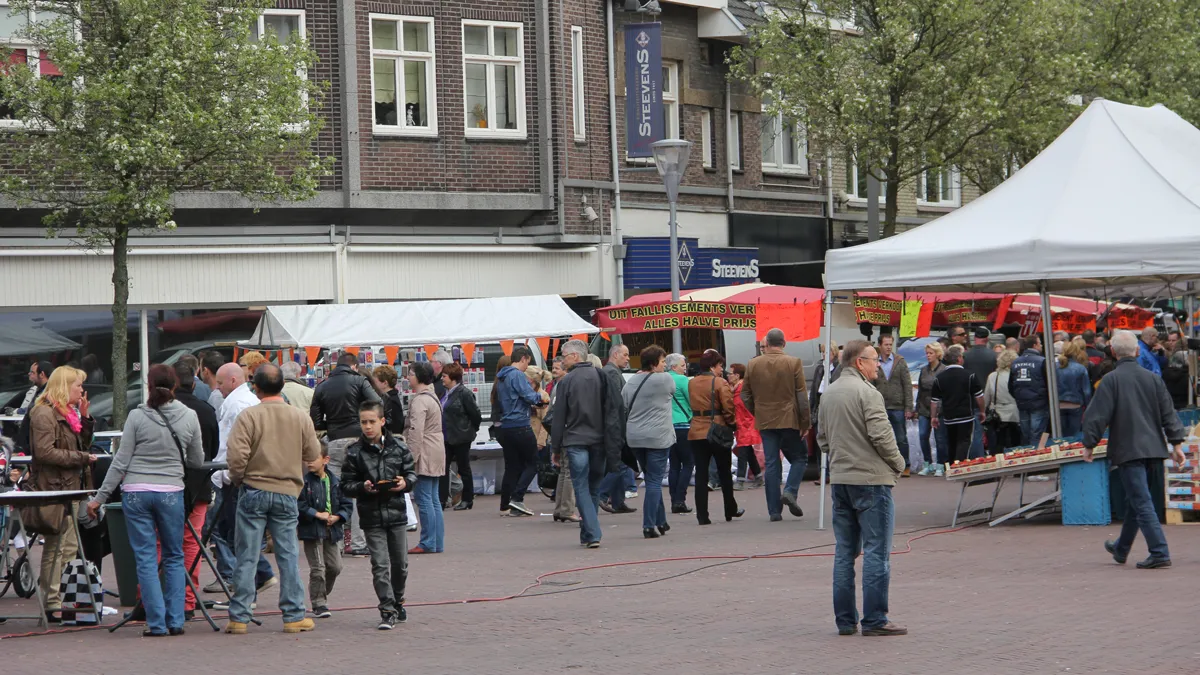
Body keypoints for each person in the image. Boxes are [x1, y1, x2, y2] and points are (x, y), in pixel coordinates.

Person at [87, 364, 203, 637]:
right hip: (171, 492)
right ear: (175, 386)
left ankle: (156, 623)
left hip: (136, 492)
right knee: (174, 557)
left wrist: (99, 498)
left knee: (146, 558)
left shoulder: (137, 417)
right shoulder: (190, 416)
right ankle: (176, 621)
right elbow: (197, 460)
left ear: (148, 386)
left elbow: (120, 462)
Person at [223, 364, 322, 635]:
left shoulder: (248, 416)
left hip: (254, 488)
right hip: (287, 491)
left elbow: (236, 456)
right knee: (288, 554)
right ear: (282, 386)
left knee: (247, 554)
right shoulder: (299, 417)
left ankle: (239, 616)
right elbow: (313, 452)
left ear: (256, 387)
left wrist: (239, 477)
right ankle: (293, 615)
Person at [817, 339, 906, 637]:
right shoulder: (868, 393)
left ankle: (845, 620)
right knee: (876, 552)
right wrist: (898, 463)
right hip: (871, 480)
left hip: (841, 479)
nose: (878, 363)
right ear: (859, 362)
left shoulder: (829, 393)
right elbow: (882, 436)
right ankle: (875, 619)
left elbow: (822, 438)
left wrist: (841, 456)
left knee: (844, 552)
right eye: (874, 359)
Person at [1084, 330, 1187, 569]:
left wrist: (1089, 444)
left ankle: (1159, 552)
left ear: (1112, 352)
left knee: (1141, 502)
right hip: (1154, 447)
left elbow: (1097, 415)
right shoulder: (1153, 378)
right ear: (1138, 350)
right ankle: (1121, 549)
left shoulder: (1111, 380)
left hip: (1128, 448)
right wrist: (1177, 443)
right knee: (1137, 499)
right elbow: (1168, 414)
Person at [28, 366, 96, 623]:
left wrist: (87, 421)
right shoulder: (44, 413)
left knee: (68, 548)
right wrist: (81, 458)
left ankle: (63, 597)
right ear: (64, 386)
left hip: (72, 487)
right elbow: (44, 452)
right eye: (78, 385)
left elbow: (82, 445)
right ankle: (51, 601)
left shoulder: (69, 413)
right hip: (56, 489)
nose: (81, 390)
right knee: (55, 547)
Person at [340, 401, 417, 629]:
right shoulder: (354, 452)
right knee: (380, 564)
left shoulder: (399, 448)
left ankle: (398, 599)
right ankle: (387, 609)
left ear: (382, 422)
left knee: (401, 564)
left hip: (396, 514)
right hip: (371, 515)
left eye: (372, 421)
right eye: (363, 422)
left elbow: (412, 474)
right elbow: (345, 484)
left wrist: (405, 482)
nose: (367, 427)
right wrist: (362, 487)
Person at [206, 363, 275, 597]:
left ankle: (249, 589)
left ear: (233, 381)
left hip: (236, 478)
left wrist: (228, 475)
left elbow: (233, 446)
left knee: (236, 535)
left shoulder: (237, 405)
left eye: (221, 383)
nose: (218, 388)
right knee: (238, 534)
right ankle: (259, 576)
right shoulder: (245, 402)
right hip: (243, 476)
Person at [549, 340, 623, 548]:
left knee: (581, 485)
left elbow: (558, 417)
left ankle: (592, 532)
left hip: (575, 440)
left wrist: (555, 447)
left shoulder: (566, 381)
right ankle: (587, 532)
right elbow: (614, 409)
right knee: (593, 487)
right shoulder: (601, 376)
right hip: (599, 440)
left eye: (564, 356)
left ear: (575, 356)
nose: (562, 360)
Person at [310, 352, 381, 555]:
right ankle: (359, 543)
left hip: (333, 440)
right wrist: (363, 422)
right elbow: (377, 403)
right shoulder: (359, 381)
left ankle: (336, 543)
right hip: (358, 440)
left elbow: (314, 418)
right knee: (360, 491)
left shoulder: (322, 386)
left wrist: (331, 426)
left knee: (334, 491)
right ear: (355, 366)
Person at [741, 329, 810, 521]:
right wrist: (806, 422)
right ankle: (790, 491)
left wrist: (757, 410)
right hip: (789, 418)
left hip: (765, 419)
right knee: (800, 457)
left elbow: (744, 394)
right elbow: (802, 396)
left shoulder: (753, 364)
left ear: (768, 343)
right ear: (784, 343)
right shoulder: (793, 362)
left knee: (772, 464)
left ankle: (774, 511)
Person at [171, 361, 219, 619]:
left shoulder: (154, 411)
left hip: (166, 485)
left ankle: (154, 598)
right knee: (192, 543)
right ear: (194, 381)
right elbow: (211, 450)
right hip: (198, 485)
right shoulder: (206, 410)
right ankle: (188, 600)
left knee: (160, 543)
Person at [623, 346, 676, 539]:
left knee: (650, 475)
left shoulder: (631, 381)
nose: (665, 365)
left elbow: (624, 403)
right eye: (663, 362)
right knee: (654, 481)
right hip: (658, 437)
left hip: (635, 437)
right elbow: (672, 392)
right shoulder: (665, 379)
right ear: (654, 364)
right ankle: (648, 524)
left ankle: (661, 521)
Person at [298, 443, 353, 619]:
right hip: (312, 530)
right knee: (318, 568)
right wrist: (316, 514)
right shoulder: (304, 482)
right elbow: (299, 505)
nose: (309, 462)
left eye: (313, 458)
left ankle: (322, 593)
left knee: (335, 566)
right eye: (306, 458)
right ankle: (319, 602)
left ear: (325, 460)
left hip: (332, 529)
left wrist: (339, 516)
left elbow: (346, 504)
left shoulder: (335, 481)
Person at [688, 350, 743, 525]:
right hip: (717, 430)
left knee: (701, 474)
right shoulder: (720, 382)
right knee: (724, 472)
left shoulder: (693, 383)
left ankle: (702, 515)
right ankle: (729, 510)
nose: (722, 369)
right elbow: (728, 407)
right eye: (720, 366)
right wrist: (733, 424)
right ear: (713, 366)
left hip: (696, 430)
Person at [494, 346, 545, 517]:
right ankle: (517, 498)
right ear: (523, 358)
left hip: (506, 426)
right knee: (533, 462)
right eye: (527, 363)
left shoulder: (502, 376)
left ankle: (505, 505)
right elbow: (529, 396)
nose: (526, 368)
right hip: (520, 425)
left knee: (512, 467)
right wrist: (540, 398)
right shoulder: (517, 375)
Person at [405, 362, 445, 555]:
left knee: (424, 497)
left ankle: (428, 541)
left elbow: (416, 431)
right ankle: (436, 541)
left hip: (425, 449)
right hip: (436, 447)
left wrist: (410, 457)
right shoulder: (433, 396)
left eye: (411, 374)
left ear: (419, 376)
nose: (408, 377)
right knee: (434, 498)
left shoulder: (420, 400)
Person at [598, 344, 637, 515]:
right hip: (616, 425)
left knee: (622, 462)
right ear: (615, 355)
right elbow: (616, 403)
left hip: (614, 424)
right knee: (620, 462)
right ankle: (602, 494)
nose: (628, 358)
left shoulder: (611, 372)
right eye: (625, 355)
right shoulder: (612, 373)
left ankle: (618, 500)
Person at [931, 345, 985, 465]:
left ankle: (951, 465)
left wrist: (933, 417)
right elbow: (979, 396)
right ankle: (959, 465)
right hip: (966, 415)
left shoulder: (939, 378)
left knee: (951, 441)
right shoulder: (970, 375)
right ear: (959, 358)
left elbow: (934, 401)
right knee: (964, 441)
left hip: (949, 416)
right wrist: (982, 411)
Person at [439, 362, 481, 511]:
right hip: (447, 436)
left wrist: (470, 431)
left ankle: (467, 499)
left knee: (464, 468)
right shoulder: (447, 393)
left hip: (461, 436)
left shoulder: (464, 393)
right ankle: (442, 499)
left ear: (452, 377)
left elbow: (476, 415)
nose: (442, 379)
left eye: (444, 376)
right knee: (443, 468)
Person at [872, 334, 913, 476]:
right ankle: (885, 466)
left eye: (890, 344)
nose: (889, 347)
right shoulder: (874, 361)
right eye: (886, 345)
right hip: (880, 406)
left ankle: (905, 465)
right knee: (881, 438)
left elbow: (907, 385)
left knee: (901, 438)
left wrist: (908, 407)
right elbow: (870, 384)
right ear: (880, 346)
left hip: (898, 406)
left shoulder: (899, 362)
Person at [665, 353, 694, 514]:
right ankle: (679, 499)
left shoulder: (662, 379)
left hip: (667, 426)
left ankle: (673, 499)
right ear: (674, 366)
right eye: (683, 365)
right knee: (688, 463)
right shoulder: (682, 380)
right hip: (683, 424)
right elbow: (692, 400)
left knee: (674, 465)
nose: (685, 368)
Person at [727, 364, 763, 490]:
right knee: (747, 451)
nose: (728, 375)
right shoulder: (736, 389)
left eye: (730, 373)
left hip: (746, 424)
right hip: (743, 424)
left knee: (743, 451)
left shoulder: (742, 389)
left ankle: (740, 480)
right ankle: (758, 476)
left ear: (737, 375)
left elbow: (745, 407)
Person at [915, 342, 949, 476]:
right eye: (927, 353)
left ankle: (941, 465)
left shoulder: (944, 370)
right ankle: (927, 463)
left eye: (931, 353)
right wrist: (916, 408)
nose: (928, 355)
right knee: (923, 435)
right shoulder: (923, 370)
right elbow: (920, 390)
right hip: (924, 406)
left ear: (937, 354)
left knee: (940, 438)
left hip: (940, 408)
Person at [1009, 335, 1050, 446]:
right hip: (1039, 403)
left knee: (1026, 434)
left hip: (1022, 404)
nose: (1041, 345)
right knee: (1036, 434)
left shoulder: (1015, 362)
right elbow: (1049, 383)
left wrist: (1019, 397)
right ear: (1034, 345)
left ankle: (1027, 455)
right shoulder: (1042, 361)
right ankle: (1037, 458)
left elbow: (1011, 386)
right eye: (1040, 343)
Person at [963, 327, 997, 457]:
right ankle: (989, 458)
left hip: (969, 399)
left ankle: (975, 458)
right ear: (987, 339)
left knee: (974, 433)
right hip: (989, 398)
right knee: (990, 431)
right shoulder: (993, 356)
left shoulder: (965, 356)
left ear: (974, 338)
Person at [982, 350, 1022, 453]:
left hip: (997, 414)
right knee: (1014, 443)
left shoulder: (993, 376)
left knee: (998, 443)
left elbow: (987, 397)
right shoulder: (1016, 375)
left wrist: (984, 410)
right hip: (1014, 413)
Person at [1056, 341, 1092, 437]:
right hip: (1075, 404)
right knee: (1074, 436)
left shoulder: (1055, 367)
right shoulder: (1080, 368)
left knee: (1060, 436)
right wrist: (1088, 406)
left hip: (1058, 405)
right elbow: (1087, 391)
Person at [372, 364, 407, 435]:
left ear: (385, 383)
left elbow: (396, 426)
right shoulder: (389, 398)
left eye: (375, 382)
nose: (373, 385)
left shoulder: (391, 401)